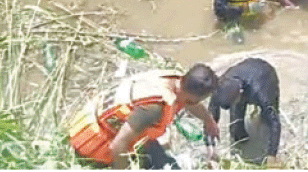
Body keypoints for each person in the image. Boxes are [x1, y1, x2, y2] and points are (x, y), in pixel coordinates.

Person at [68, 64, 220, 170]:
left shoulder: (172, 79)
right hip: (92, 149)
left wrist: (209, 120)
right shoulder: (154, 109)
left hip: (86, 122)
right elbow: (117, 146)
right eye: (195, 100)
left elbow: (189, 102)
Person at [208, 58, 281, 164]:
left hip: (265, 76)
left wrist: (272, 155)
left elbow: (275, 122)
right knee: (237, 133)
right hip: (243, 78)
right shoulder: (220, 86)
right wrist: (210, 148)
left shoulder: (260, 93)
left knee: (267, 120)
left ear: (241, 94)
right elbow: (210, 119)